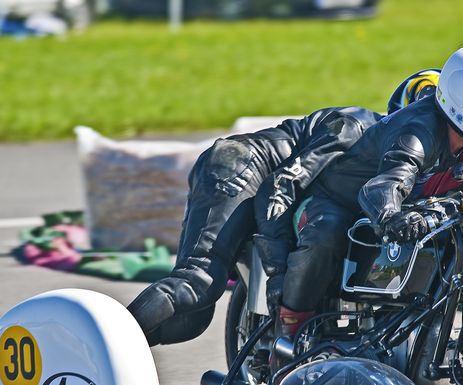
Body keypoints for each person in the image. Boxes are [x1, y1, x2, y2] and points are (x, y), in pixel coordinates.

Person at [266, 41, 463, 337]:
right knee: (327, 232)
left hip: (406, 210)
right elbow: (388, 183)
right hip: (341, 202)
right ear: (461, 95)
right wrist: (390, 216)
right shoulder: (418, 129)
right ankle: (287, 333)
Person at [127, 106, 382, 346]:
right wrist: (278, 274)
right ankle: (99, 348)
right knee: (198, 283)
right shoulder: (355, 126)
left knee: (192, 322)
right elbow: (281, 186)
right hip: (241, 168)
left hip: (265, 183)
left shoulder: (402, 162)